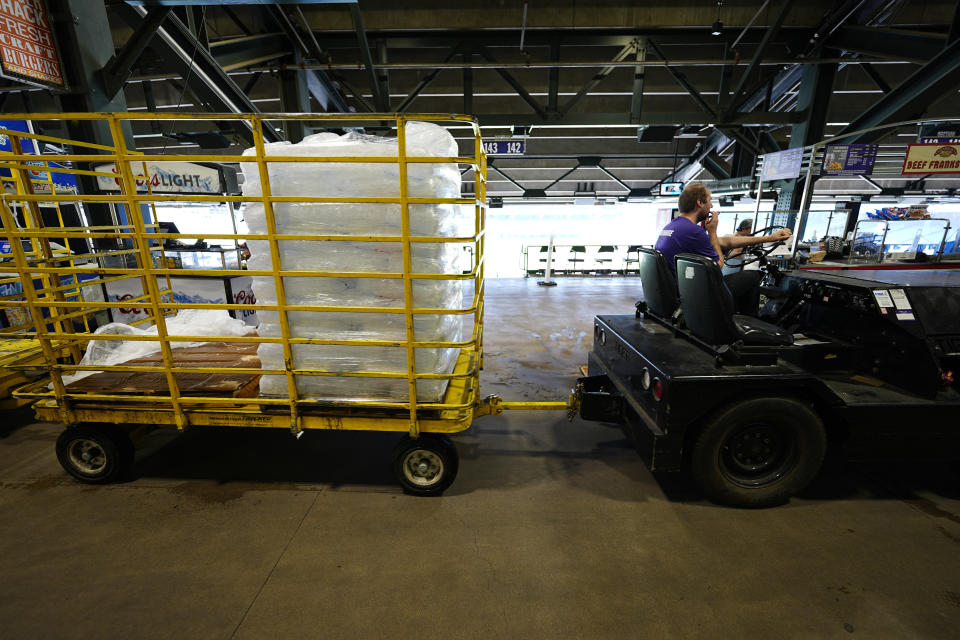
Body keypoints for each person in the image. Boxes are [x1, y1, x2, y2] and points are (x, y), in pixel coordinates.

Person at [654, 184, 791, 315]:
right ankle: (739, 326)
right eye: (709, 201)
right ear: (699, 203)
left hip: (679, 290)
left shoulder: (675, 226)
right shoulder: (694, 231)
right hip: (693, 295)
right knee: (753, 276)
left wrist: (770, 238)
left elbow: (725, 241)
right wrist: (712, 231)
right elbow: (718, 266)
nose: (712, 206)